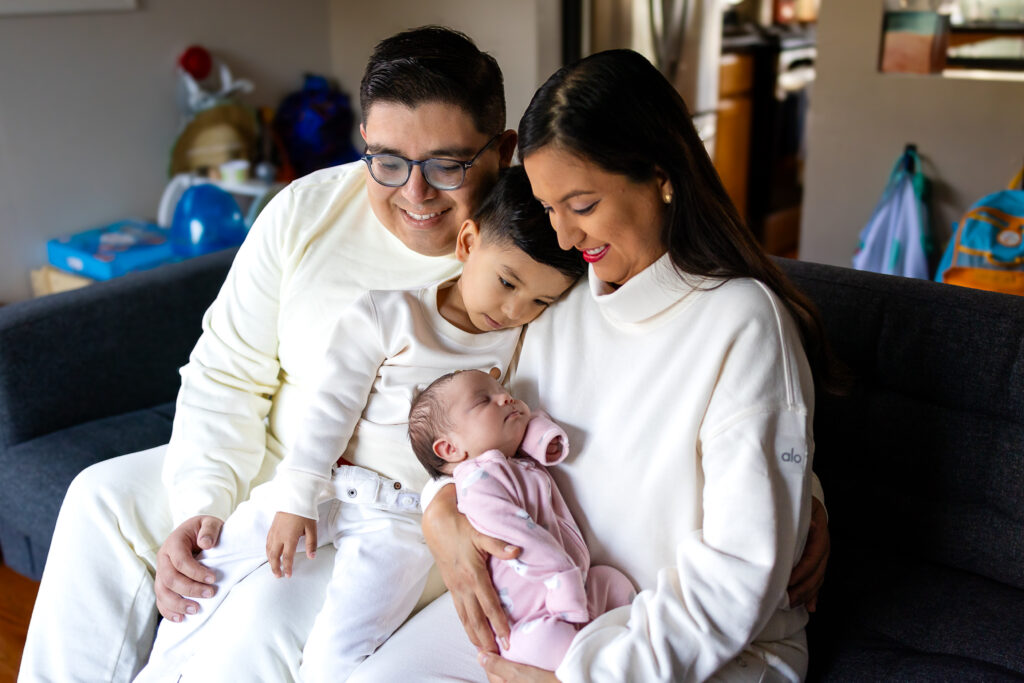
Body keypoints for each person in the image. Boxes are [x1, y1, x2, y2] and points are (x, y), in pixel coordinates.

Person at [20, 27, 828, 683]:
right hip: (334, 484)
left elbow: (721, 444)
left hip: (460, 537)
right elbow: (231, 370)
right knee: (99, 499)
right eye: (389, 161)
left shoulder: (548, 277)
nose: (417, 193)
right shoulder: (330, 215)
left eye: (447, 164)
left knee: (264, 624)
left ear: (500, 154)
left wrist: (804, 499)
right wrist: (214, 499)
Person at [347, 48, 840, 683]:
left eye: (581, 205)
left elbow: (738, 569)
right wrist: (441, 503)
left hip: (688, 651)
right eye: (549, 208)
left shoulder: (740, 322)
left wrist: (590, 678)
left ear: (661, 175)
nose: (563, 237)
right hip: (545, 609)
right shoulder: (555, 298)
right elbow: (477, 431)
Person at [134, 166, 585, 682]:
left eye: (538, 302)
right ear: (467, 243)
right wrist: (297, 498)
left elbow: (508, 433)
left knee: (340, 651)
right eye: (507, 283)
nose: (512, 309)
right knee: (209, 568)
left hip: (402, 524)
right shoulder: (389, 315)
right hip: (334, 483)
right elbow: (330, 407)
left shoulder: (513, 346)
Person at [409, 369, 636, 672]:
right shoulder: (476, 482)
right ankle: (599, 660)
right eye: (483, 400)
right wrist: (562, 580)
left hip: (575, 584)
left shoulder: (510, 460)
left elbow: (529, 422)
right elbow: (515, 538)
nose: (506, 397)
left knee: (613, 583)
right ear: (450, 449)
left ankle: (622, 650)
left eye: (502, 389)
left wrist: (543, 440)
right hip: (534, 614)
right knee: (549, 644)